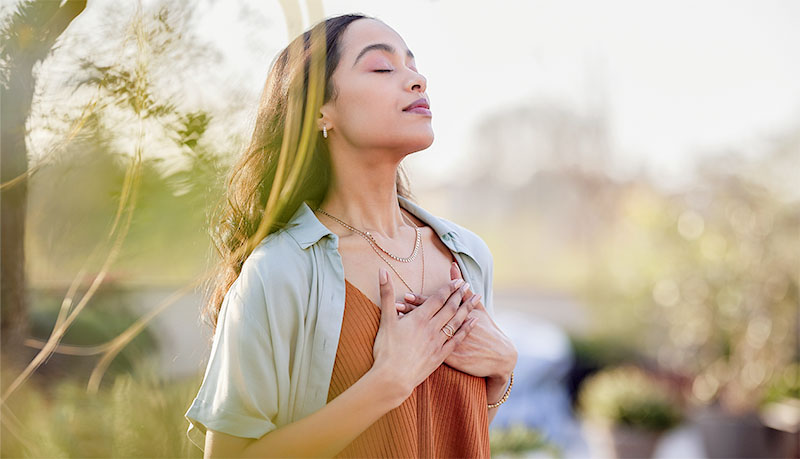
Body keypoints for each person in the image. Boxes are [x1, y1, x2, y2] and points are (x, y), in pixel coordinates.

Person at [184, 12, 518, 458]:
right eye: (382, 67)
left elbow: (453, 431)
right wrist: (386, 383)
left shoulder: (469, 256)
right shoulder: (279, 272)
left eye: (413, 66)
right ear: (322, 111)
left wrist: (502, 373)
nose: (417, 80)